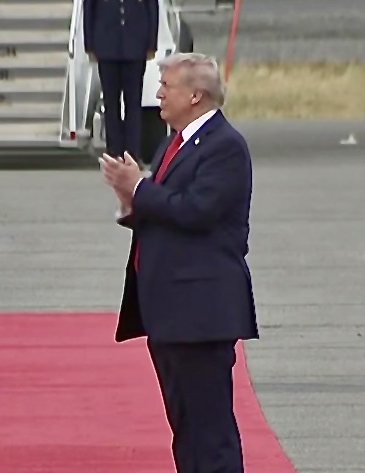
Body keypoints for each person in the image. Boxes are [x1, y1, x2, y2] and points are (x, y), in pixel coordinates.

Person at [99, 52, 258, 473]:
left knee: (209, 428)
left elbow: (197, 211)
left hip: (201, 313)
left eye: (166, 86)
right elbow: (166, 209)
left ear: (195, 95)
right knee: (186, 427)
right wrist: (130, 199)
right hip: (171, 311)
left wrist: (140, 188)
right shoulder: (174, 143)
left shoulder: (224, 147)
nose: (158, 95)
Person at [83, 0, 159, 164]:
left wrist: (152, 42)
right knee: (111, 103)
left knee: (133, 103)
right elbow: (89, 7)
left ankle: (132, 153)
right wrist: (89, 44)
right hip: (106, 45)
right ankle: (114, 151)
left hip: (136, 45)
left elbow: (152, 6)